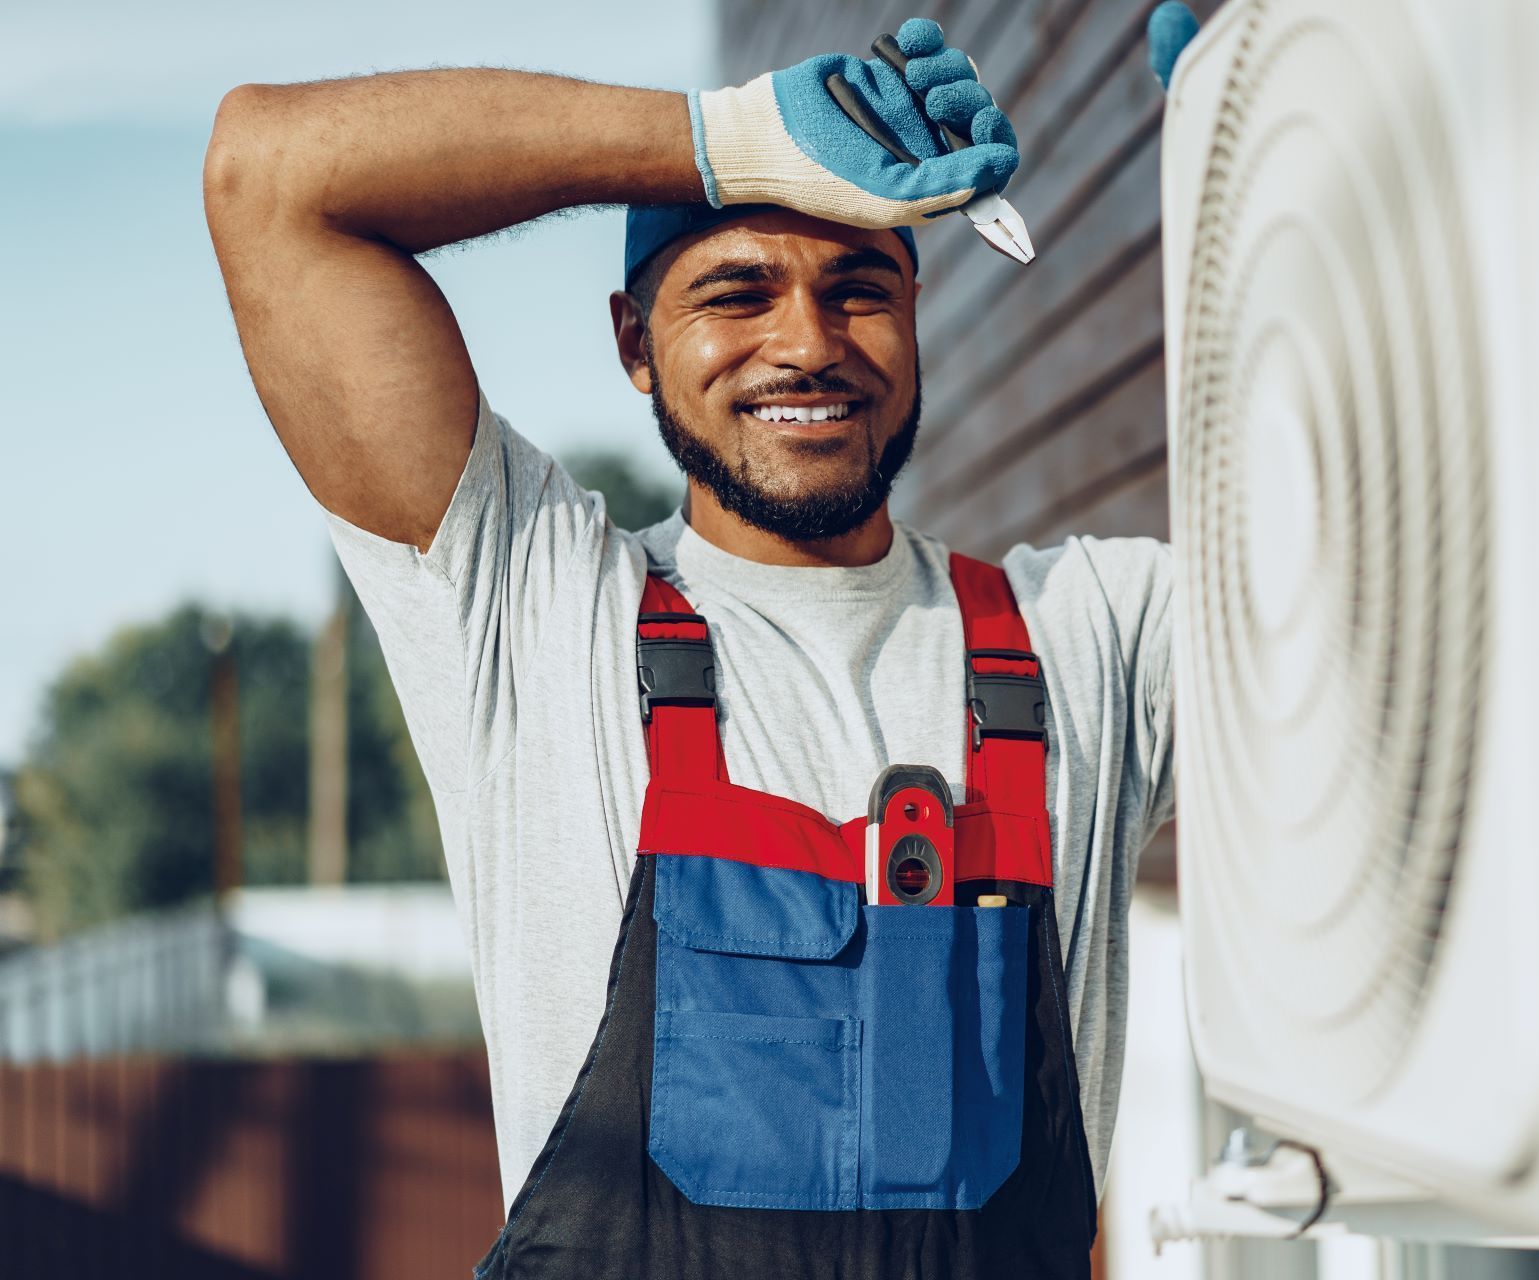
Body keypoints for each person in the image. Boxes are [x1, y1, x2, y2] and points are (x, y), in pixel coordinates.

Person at [204, 18, 1173, 1278]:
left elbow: (1394, 571)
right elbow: (269, 177)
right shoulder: (538, 611)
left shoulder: (1092, 635)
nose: (808, 342)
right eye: (736, 292)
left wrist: (1285, 153)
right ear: (633, 342)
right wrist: (729, 139)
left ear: (915, 315)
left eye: (858, 288)